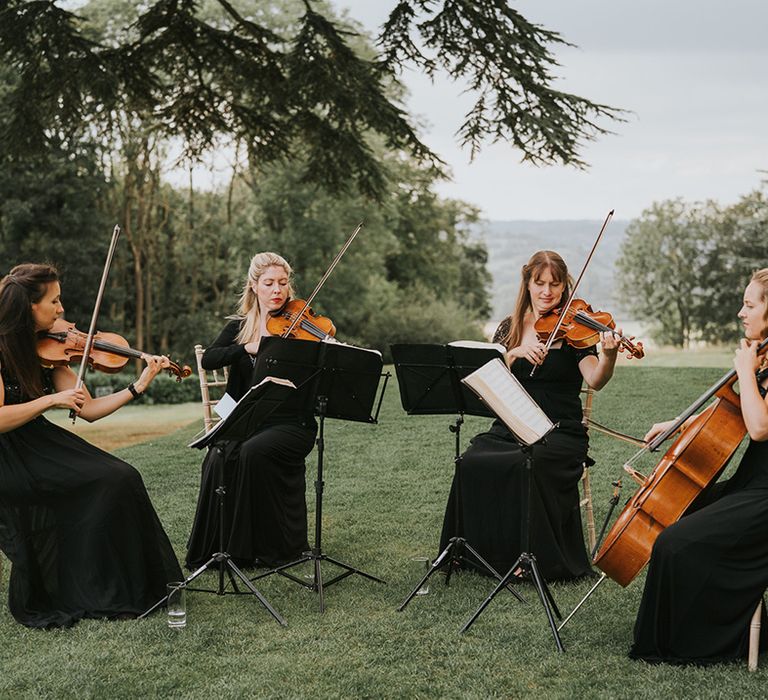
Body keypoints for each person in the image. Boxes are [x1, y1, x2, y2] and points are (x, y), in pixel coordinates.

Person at [0, 263, 182, 628]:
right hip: (10, 454)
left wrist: (138, 385)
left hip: (38, 441)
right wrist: (50, 401)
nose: (62, 310)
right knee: (103, 482)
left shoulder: (50, 349)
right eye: (54, 301)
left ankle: (125, 587)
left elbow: (90, 411)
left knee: (121, 476)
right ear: (29, 307)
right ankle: (87, 590)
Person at [439, 250, 623, 581]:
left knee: (529, 462)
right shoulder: (510, 328)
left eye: (554, 285)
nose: (547, 292)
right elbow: (487, 379)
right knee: (470, 461)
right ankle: (468, 552)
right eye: (540, 284)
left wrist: (608, 356)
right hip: (509, 426)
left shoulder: (575, 330)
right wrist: (513, 354)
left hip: (559, 431)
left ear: (565, 286)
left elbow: (596, 379)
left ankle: (532, 559)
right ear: (527, 283)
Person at [630, 269, 768, 665]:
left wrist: (745, 371)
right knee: (680, 509)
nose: (741, 312)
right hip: (753, 482)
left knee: (674, 545)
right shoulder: (764, 356)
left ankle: (695, 642)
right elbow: (735, 413)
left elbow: (759, 428)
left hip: (764, 496)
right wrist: (679, 424)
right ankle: (713, 622)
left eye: (751, 304)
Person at [186, 252, 317, 570]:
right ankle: (222, 548)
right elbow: (210, 359)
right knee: (219, 453)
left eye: (283, 284)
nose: (277, 290)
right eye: (269, 283)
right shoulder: (241, 328)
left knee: (253, 452)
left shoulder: (301, 327)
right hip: (249, 419)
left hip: (292, 422)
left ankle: (264, 548)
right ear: (254, 286)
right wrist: (247, 347)